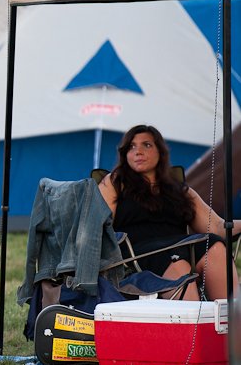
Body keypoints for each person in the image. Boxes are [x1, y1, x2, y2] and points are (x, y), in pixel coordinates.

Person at [97, 124, 241, 300]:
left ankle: (230, 321)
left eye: (146, 145)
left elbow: (217, 226)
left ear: (161, 152)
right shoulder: (114, 183)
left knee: (216, 246)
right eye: (131, 147)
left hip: (180, 246)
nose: (138, 151)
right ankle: (192, 324)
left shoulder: (180, 190)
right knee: (179, 264)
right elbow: (98, 224)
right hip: (137, 255)